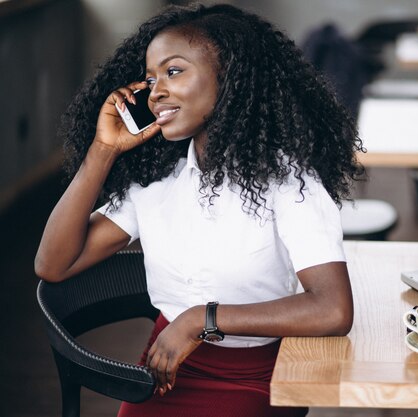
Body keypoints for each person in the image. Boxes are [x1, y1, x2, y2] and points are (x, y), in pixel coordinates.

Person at [35, 3, 364, 417]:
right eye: (150, 78)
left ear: (229, 79)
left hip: (257, 378)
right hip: (164, 370)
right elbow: (53, 264)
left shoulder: (289, 182)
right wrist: (102, 152)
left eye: (174, 71)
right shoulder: (156, 180)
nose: (155, 91)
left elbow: (332, 309)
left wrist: (198, 320)